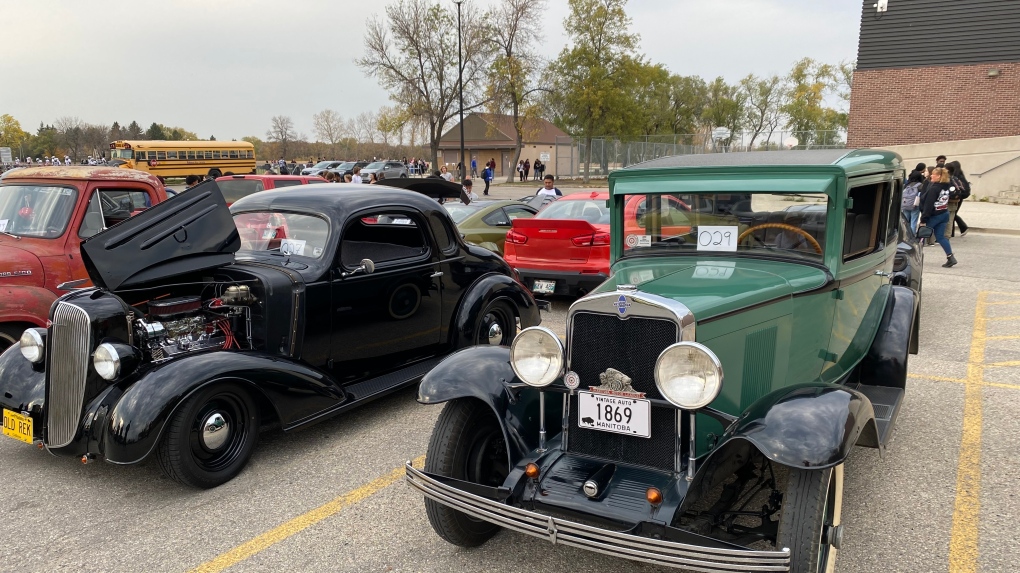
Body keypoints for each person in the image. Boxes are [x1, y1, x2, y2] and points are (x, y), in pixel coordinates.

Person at [920, 167, 957, 267]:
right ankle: (950, 257)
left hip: (934, 215)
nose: (931, 175)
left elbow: (929, 205)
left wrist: (923, 219)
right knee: (941, 237)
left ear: (939, 176)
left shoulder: (934, 189)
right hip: (944, 213)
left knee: (920, 236)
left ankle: (915, 258)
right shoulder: (947, 186)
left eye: (933, 174)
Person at [946, 160, 970, 237]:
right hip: (958, 197)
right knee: (953, 214)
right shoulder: (959, 176)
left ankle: (962, 227)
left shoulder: (957, 178)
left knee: (953, 213)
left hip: (956, 197)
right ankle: (953, 231)